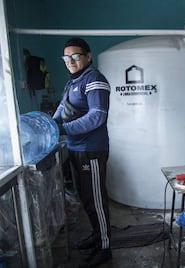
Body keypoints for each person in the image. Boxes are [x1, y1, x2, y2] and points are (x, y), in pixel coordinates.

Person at [53, 37, 112, 267]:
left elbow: (97, 115)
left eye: (75, 56)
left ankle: (105, 247)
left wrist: (63, 129)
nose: (70, 60)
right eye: (66, 57)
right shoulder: (71, 83)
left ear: (88, 56)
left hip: (92, 151)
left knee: (96, 200)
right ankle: (97, 237)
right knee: (87, 199)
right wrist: (49, 126)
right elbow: (61, 110)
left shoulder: (94, 79)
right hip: (75, 148)